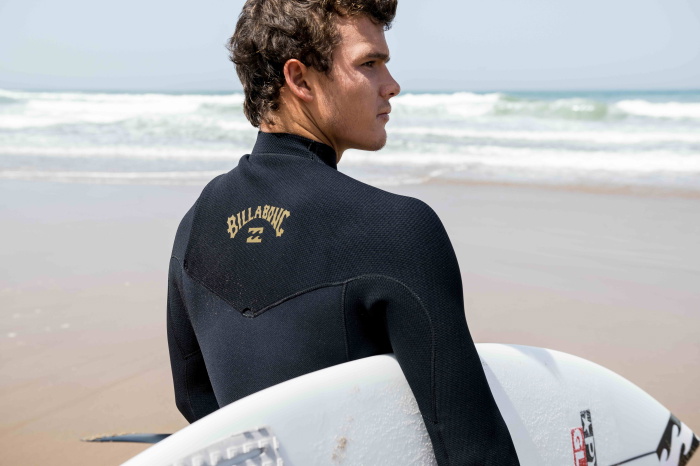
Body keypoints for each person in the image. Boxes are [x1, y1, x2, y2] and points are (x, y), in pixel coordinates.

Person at [167, 0, 520, 464]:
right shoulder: (397, 230)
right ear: (299, 80)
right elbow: (473, 448)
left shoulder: (196, 225)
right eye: (369, 64)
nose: (391, 86)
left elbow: (198, 407)